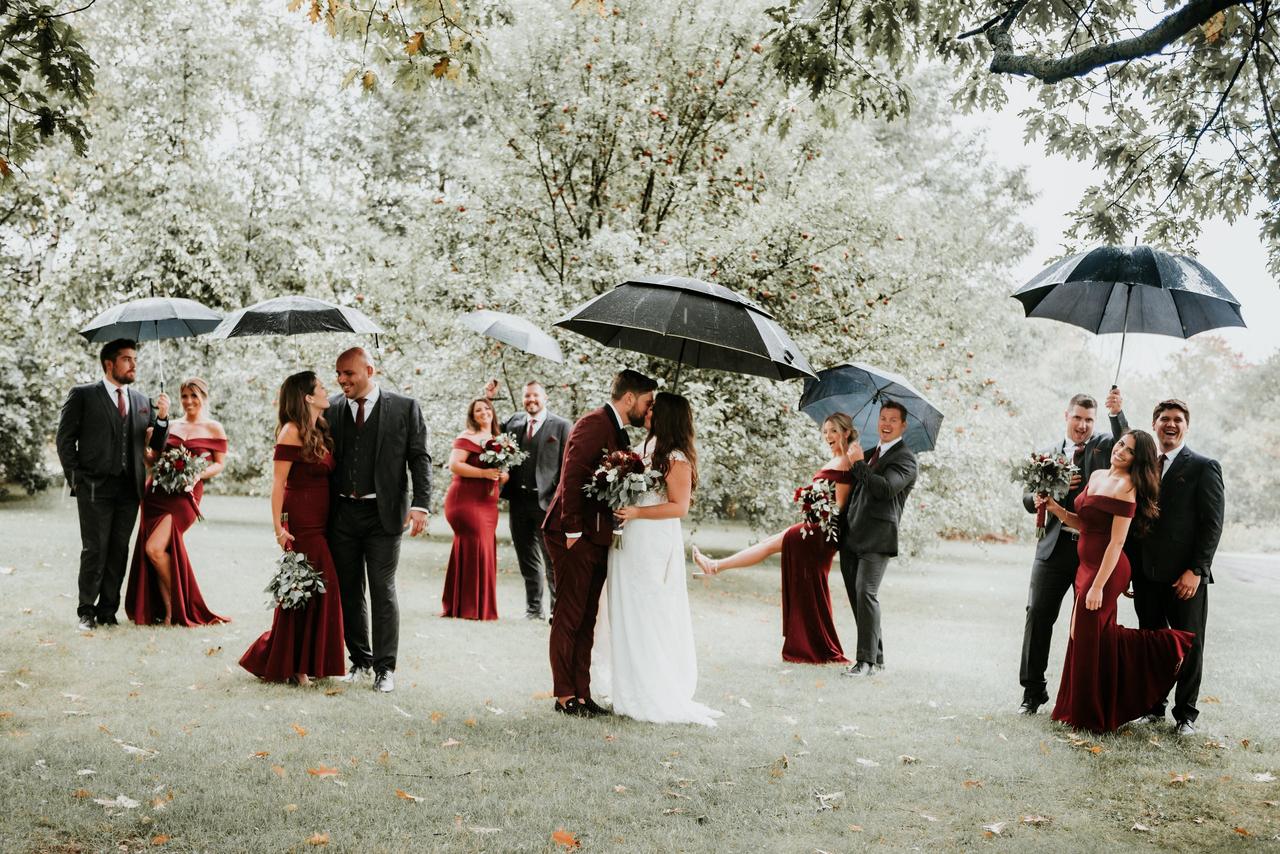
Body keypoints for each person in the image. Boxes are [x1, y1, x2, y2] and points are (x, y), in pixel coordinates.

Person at [1040, 429, 1194, 733]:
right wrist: (1057, 510)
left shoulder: (1128, 486)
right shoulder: (1096, 474)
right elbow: (1084, 523)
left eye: (1130, 450)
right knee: (1083, 635)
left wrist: (1098, 585)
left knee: (1086, 632)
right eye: (1121, 444)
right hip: (1086, 566)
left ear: (1138, 460)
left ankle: (1166, 647)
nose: (1120, 451)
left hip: (1107, 571)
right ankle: (1074, 708)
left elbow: (1116, 542)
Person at [692, 414, 857, 665]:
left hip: (820, 534)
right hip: (812, 529)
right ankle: (715, 566)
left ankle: (715, 566)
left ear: (846, 432)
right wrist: (811, 501)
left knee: (773, 549)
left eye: (833, 431)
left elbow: (840, 507)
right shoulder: (837, 459)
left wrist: (817, 504)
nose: (828, 436)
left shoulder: (847, 461)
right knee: (770, 548)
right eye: (825, 432)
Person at [598, 392, 721, 725]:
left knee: (647, 609)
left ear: (666, 416)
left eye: (653, 408)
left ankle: (650, 689)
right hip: (629, 537)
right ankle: (627, 687)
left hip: (652, 539)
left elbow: (679, 506)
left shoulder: (676, 458)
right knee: (624, 608)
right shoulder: (643, 450)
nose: (647, 411)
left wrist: (637, 510)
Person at [543, 369, 657, 718]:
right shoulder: (593, 423)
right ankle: (564, 695)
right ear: (629, 399)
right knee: (569, 614)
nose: (649, 409)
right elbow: (572, 475)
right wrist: (573, 530)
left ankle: (582, 692)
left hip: (596, 536)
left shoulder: (618, 432)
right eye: (647, 402)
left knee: (588, 616)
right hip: (572, 535)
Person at [328, 348, 433, 694]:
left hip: (384, 515)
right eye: (339, 374)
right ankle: (360, 659)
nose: (342, 380)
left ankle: (385, 669)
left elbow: (420, 459)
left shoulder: (404, 407)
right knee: (348, 590)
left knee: (382, 589)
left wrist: (421, 504)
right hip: (342, 513)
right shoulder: (329, 408)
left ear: (369, 370)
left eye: (349, 373)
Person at [1017, 390, 1127, 714]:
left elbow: (1127, 442)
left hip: (1089, 551)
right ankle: (1032, 693)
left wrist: (1116, 414)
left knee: (1088, 628)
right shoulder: (1046, 452)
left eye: (1089, 420)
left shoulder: (1105, 447)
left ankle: (1084, 697)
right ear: (1066, 416)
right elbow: (1026, 496)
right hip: (1051, 548)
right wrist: (1039, 497)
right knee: (1037, 615)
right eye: (1077, 418)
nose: (1082, 425)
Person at [239, 371, 346, 686]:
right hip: (301, 520)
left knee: (316, 589)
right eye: (321, 387)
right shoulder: (290, 430)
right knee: (305, 588)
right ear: (308, 397)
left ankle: (305, 661)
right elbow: (278, 483)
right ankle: (296, 666)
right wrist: (278, 528)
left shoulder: (319, 428)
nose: (328, 390)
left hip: (323, 521)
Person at [56, 339, 170, 632]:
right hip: (93, 487)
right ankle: (86, 611)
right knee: (95, 549)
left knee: (119, 550)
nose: (133, 364)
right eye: (127, 359)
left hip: (129, 489)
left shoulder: (143, 401)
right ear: (109, 364)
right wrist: (76, 479)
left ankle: (108, 610)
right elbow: (65, 439)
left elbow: (156, 445)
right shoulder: (83, 395)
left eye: (134, 359)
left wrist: (162, 419)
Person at [1126, 399, 1224, 736]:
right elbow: (1131, 520)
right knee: (1151, 642)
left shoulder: (1203, 465)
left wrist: (1197, 570)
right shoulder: (1143, 466)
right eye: (1164, 418)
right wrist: (1129, 570)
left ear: (1186, 426)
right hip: (1146, 574)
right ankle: (1153, 708)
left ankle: (1186, 716)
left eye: (1177, 419)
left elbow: (1212, 524)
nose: (1171, 424)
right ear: (1153, 424)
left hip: (1186, 577)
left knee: (1190, 644)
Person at [124, 377, 229, 626]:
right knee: (160, 552)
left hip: (186, 496)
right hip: (156, 495)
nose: (189, 401)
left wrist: (197, 474)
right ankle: (171, 613)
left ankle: (185, 605)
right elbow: (153, 461)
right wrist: (142, 447)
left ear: (204, 397)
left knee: (154, 548)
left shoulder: (214, 427)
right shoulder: (168, 425)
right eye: (184, 396)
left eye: (194, 396)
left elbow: (219, 464)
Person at [837, 400, 919, 678]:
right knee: (857, 598)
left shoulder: (906, 459)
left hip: (877, 538)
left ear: (903, 425)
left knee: (866, 594)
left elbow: (884, 489)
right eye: (883, 418)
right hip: (851, 534)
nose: (886, 423)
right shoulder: (870, 453)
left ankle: (865, 663)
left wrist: (858, 464)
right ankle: (878, 657)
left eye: (893, 420)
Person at [485, 379, 571, 621]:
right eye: (527, 396)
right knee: (527, 558)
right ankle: (534, 610)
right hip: (518, 502)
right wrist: (488, 399)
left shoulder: (562, 426)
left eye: (535, 396)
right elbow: (489, 431)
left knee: (552, 559)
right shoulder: (514, 422)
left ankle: (558, 611)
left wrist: (559, 498)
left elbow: (568, 466)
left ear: (545, 399)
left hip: (547, 504)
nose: (531, 400)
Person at [441, 398, 506, 620]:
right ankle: (470, 607)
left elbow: (502, 473)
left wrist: (501, 474)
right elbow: (455, 465)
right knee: (476, 545)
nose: (484, 412)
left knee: (483, 547)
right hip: (465, 500)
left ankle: (471, 606)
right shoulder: (467, 437)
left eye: (487, 408)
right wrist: (484, 474)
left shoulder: (499, 440)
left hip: (488, 503)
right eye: (478, 410)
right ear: (472, 415)